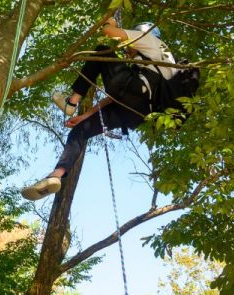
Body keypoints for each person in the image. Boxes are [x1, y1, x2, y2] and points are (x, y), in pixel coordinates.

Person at [21, 20, 177, 200]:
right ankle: (56, 175)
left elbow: (109, 31)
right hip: (139, 111)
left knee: (102, 50)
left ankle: (71, 102)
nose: (127, 49)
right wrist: (85, 116)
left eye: (130, 46)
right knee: (81, 130)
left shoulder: (149, 39)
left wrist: (112, 23)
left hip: (137, 94)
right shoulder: (153, 64)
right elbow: (117, 96)